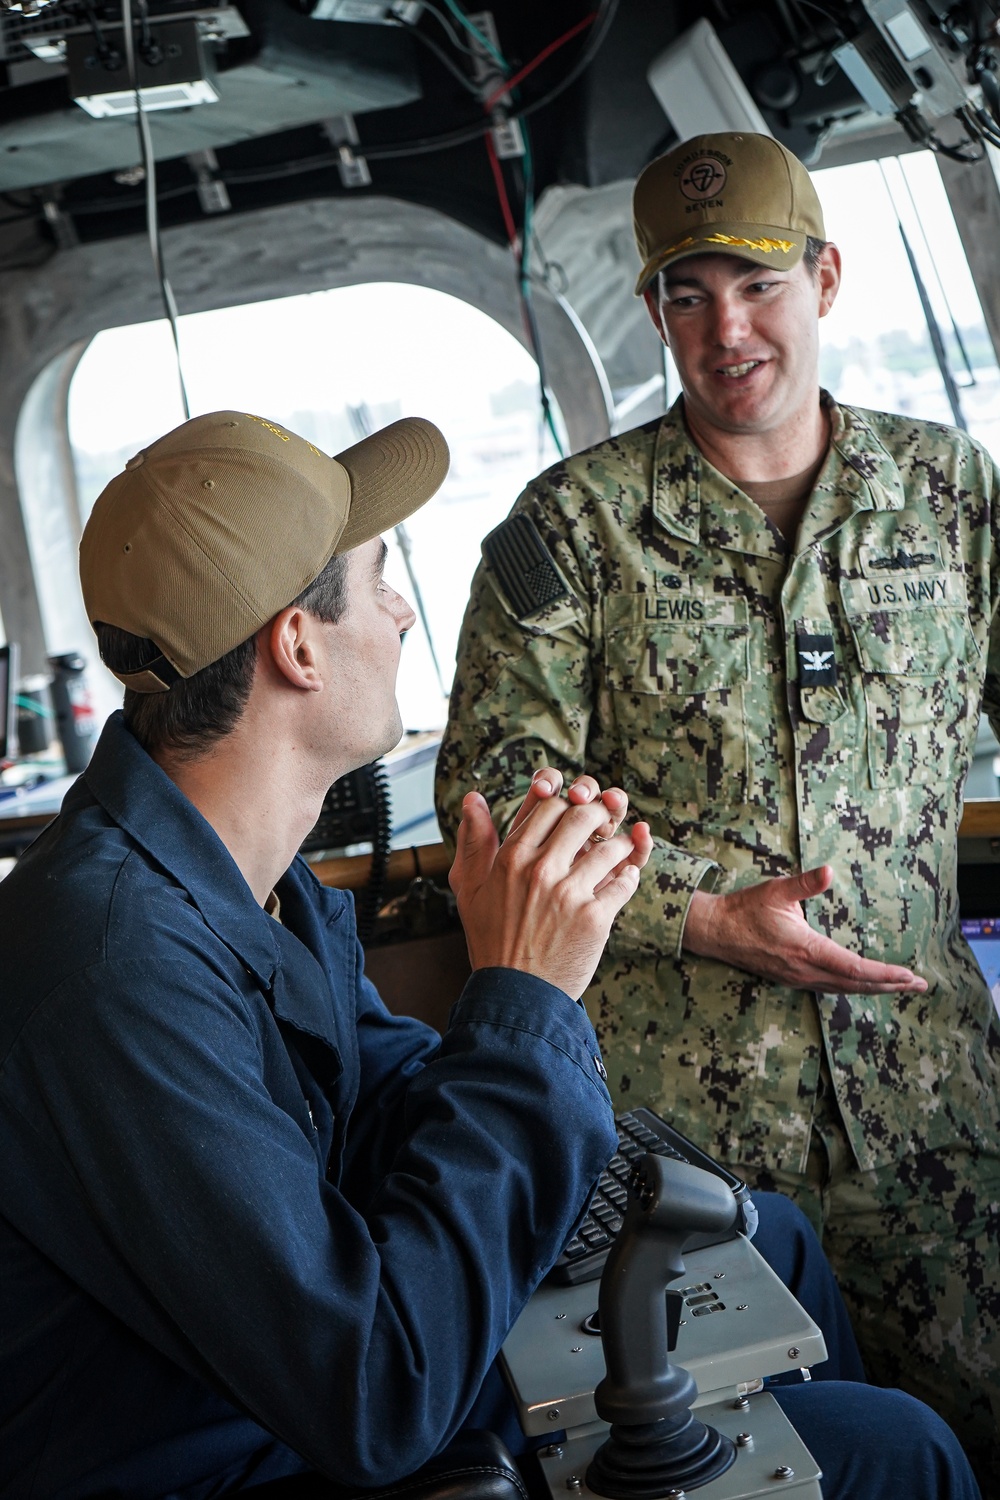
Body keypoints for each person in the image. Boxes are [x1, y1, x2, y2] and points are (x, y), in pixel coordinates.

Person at [0, 409, 980, 1500]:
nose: (403, 612)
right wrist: (522, 992)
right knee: (896, 1450)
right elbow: (373, 1392)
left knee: (770, 1241)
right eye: (377, 581)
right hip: (253, 1450)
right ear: (297, 645)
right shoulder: (113, 971)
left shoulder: (248, 877)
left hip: (323, 1372)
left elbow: (385, 1113)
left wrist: (533, 1019)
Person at [435, 131, 1000, 1487]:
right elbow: (492, 791)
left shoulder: (954, 497)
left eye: (756, 286)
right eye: (687, 295)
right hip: (699, 1155)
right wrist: (701, 918)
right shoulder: (571, 525)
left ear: (827, 277)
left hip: (937, 1117)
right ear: (654, 311)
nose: (725, 329)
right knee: (776, 1469)